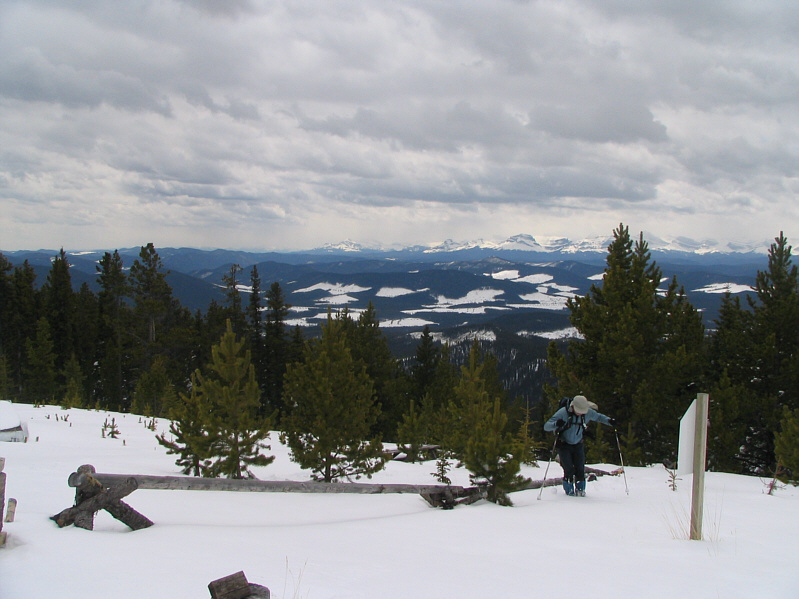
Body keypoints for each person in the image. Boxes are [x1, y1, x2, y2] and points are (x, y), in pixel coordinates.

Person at [544, 395, 616, 497]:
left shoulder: (587, 413)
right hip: (564, 444)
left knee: (580, 469)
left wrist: (609, 421)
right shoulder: (563, 413)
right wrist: (556, 423)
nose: (580, 413)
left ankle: (581, 491)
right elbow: (546, 426)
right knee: (568, 469)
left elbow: (599, 417)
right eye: (579, 411)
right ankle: (569, 493)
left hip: (578, 444)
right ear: (573, 407)